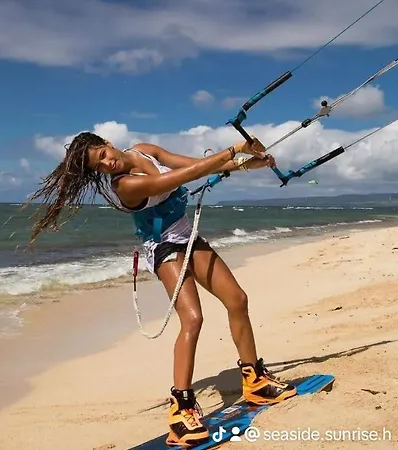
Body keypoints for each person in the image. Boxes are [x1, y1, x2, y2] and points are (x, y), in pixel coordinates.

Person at [27, 132, 297, 448]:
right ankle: (181, 408)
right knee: (192, 319)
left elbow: (193, 163)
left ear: (107, 144)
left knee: (237, 299)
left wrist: (248, 163)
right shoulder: (125, 186)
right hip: (164, 247)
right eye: (98, 167)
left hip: (187, 237)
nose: (106, 164)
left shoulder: (145, 150)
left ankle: (255, 381)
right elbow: (187, 175)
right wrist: (236, 149)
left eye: (102, 155)